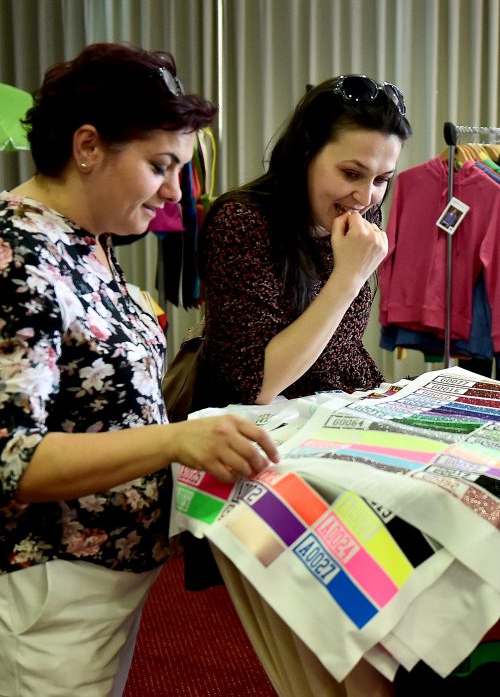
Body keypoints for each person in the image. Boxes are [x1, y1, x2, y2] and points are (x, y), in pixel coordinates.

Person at [0, 42, 278, 697]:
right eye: (160, 167)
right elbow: (13, 460)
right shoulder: (21, 255)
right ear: (88, 147)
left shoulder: (84, 238)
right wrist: (175, 440)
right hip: (50, 587)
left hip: (101, 582)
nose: (176, 192)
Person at [194, 74, 412, 411]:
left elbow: (343, 347)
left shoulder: (361, 215)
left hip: (340, 403)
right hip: (261, 420)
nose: (365, 197)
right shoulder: (242, 221)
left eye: (382, 179)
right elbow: (256, 386)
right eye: (351, 173)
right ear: (306, 152)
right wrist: (348, 278)